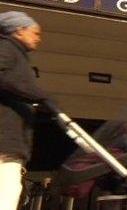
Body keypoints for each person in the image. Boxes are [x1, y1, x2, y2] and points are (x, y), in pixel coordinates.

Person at [0, 11, 54, 210]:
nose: (38, 38)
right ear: (19, 30)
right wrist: (39, 95)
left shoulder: (17, 56)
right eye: (35, 33)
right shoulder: (7, 48)